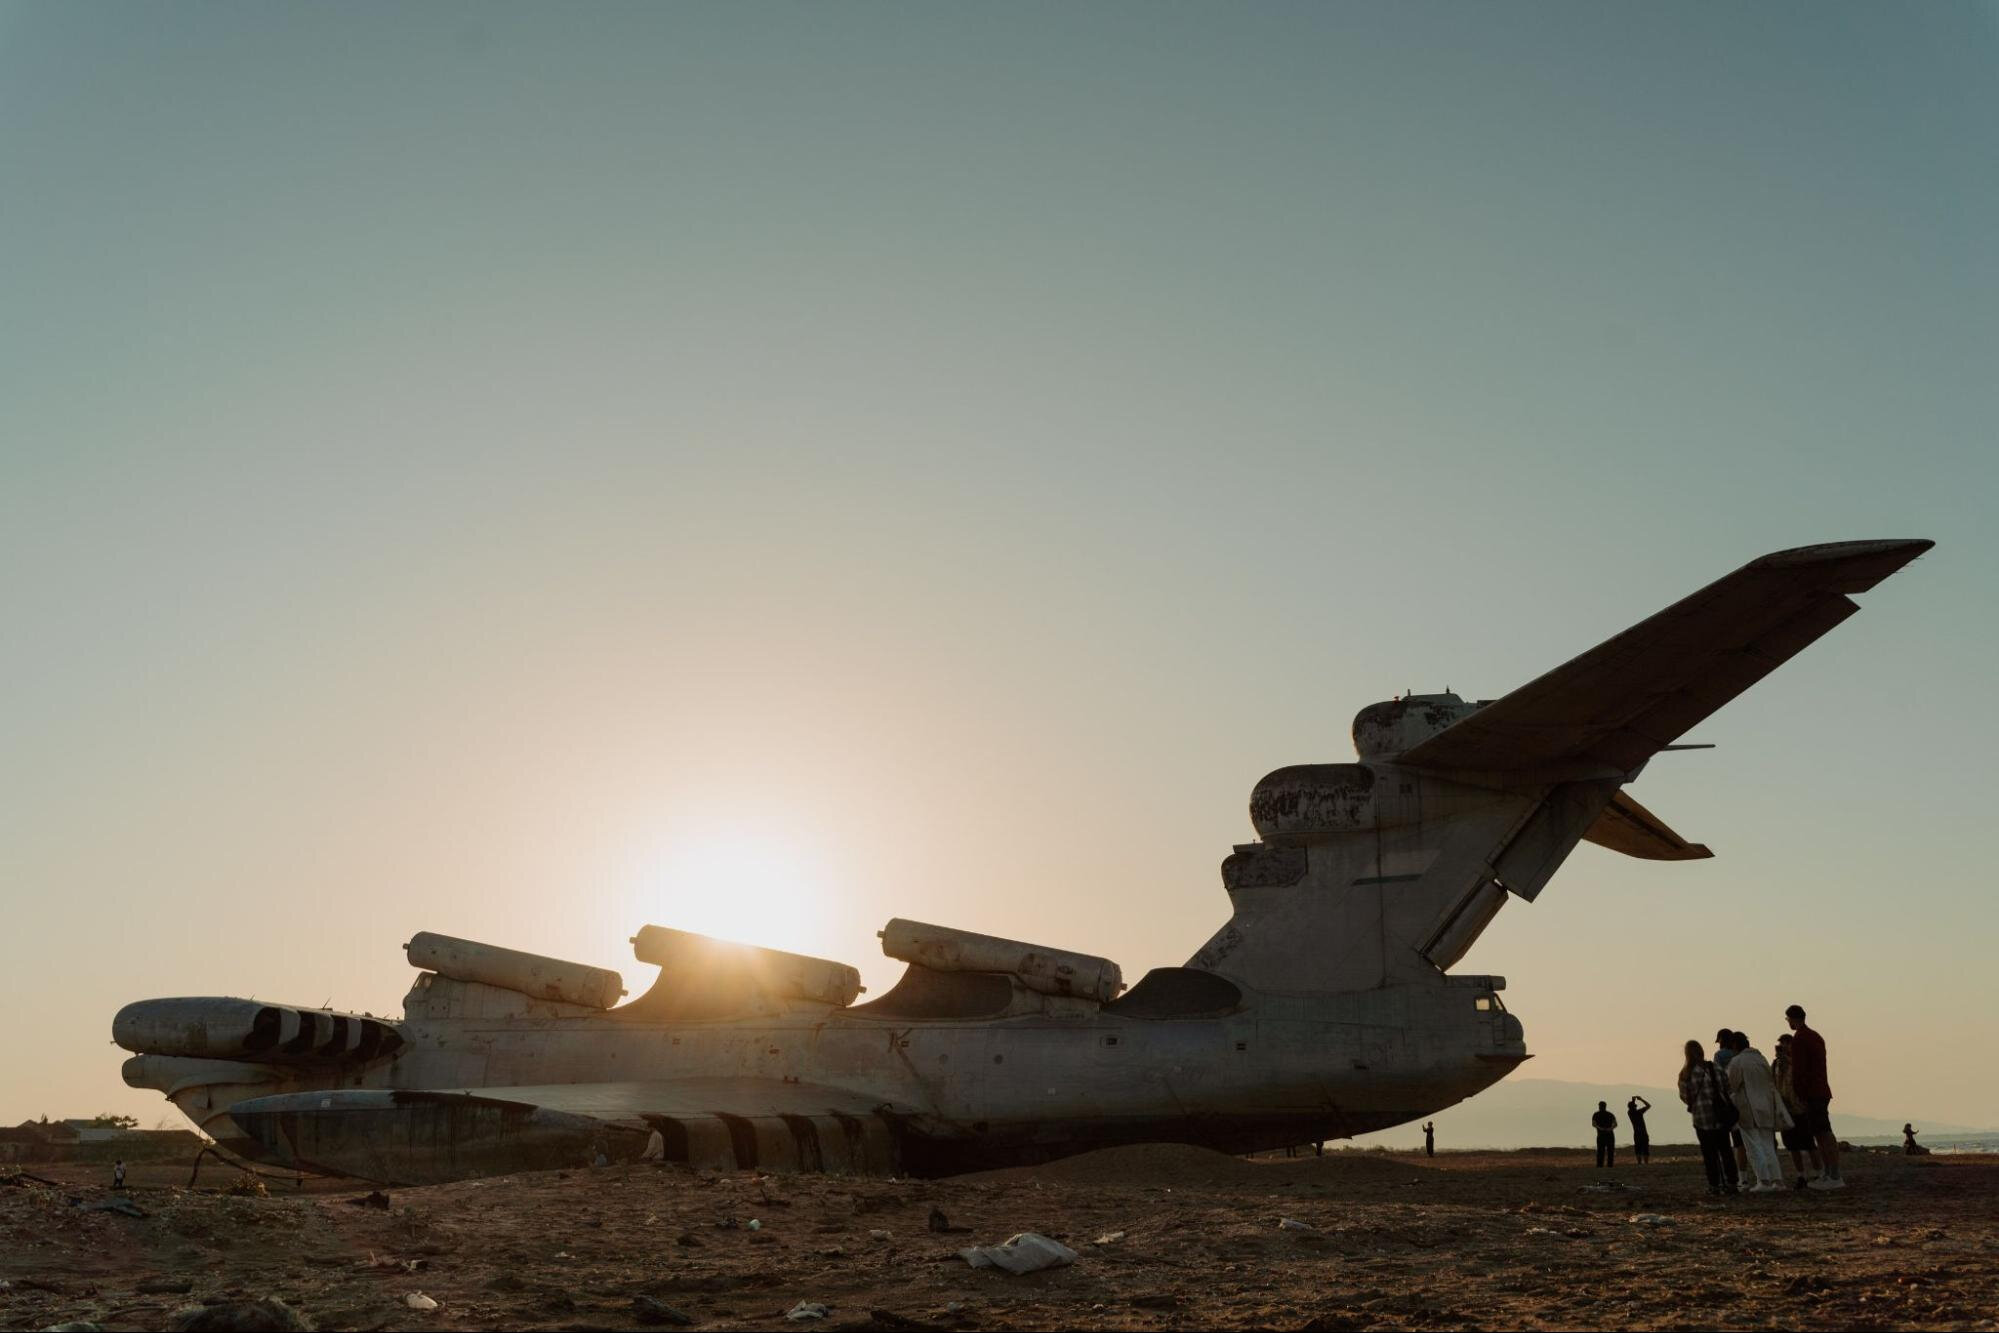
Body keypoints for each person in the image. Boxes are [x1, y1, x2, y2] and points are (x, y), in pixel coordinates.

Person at [1723, 1033, 1793, 1192]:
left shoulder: (1737, 1061)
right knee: (1768, 1145)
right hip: (1766, 1107)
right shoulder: (1761, 1059)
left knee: (1754, 1146)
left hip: (1748, 1108)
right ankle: (1777, 1180)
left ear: (1735, 1045)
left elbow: (1731, 1085)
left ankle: (1764, 1180)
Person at [1785, 1003, 1843, 1188]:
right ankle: (1830, 1172)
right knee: (1823, 1132)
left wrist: (1799, 1093)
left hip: (1811, 1092)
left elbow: (1799, 1071)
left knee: (1822, 1134)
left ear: (1792, 1019)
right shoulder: (1816, 1036)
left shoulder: (1800, 1038)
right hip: (1821, 1089)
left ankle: (1833, 1175)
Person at [1678, 1038, 1739, 1196]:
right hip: (1721, 1117)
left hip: (1701, 1118)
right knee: (1726, 1151)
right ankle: (1732, 1183)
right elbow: (1727, 1088)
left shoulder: (1686, 1074)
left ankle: (1715, 1185)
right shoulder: (1715, 1068)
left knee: (1709, 1155)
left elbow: (1685, 1097)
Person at [1772, 1034, 1823, 1187]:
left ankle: (1818, 1173)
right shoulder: (1776, 1065)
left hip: (1801, 1108)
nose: (1783, 1048)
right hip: (1785, 1110)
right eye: (1781, 1045)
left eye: (1786, 1044)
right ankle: (1800, 1175)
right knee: (1792, 1146)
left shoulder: (1799, 1062)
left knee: (1809, 1144)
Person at [1591, 1100, 1618, 1168]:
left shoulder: (1596, 1114)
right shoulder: (1610, 1114)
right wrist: (1610, 1128)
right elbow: (1615, 1124)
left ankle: (1601, 1165)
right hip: (1608, 1133)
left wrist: (1600, 1128)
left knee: (1601, 1150)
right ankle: (1609, 1165)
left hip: (1602, 1134)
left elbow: (1594, 1124)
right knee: (1609, 1150)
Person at [1627, 1096, 1652, 1164]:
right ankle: (1646, 1163)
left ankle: (1639, 1163)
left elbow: (1631, 1107)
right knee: (1645, 1148)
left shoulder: (1630, 1113)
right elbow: (1648, 1105)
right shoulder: (1639, 1112)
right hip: (1643, 1133)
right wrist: (1641, 1099)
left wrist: (1633, 1101)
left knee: (1638, 1148)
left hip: (1636, 1133)